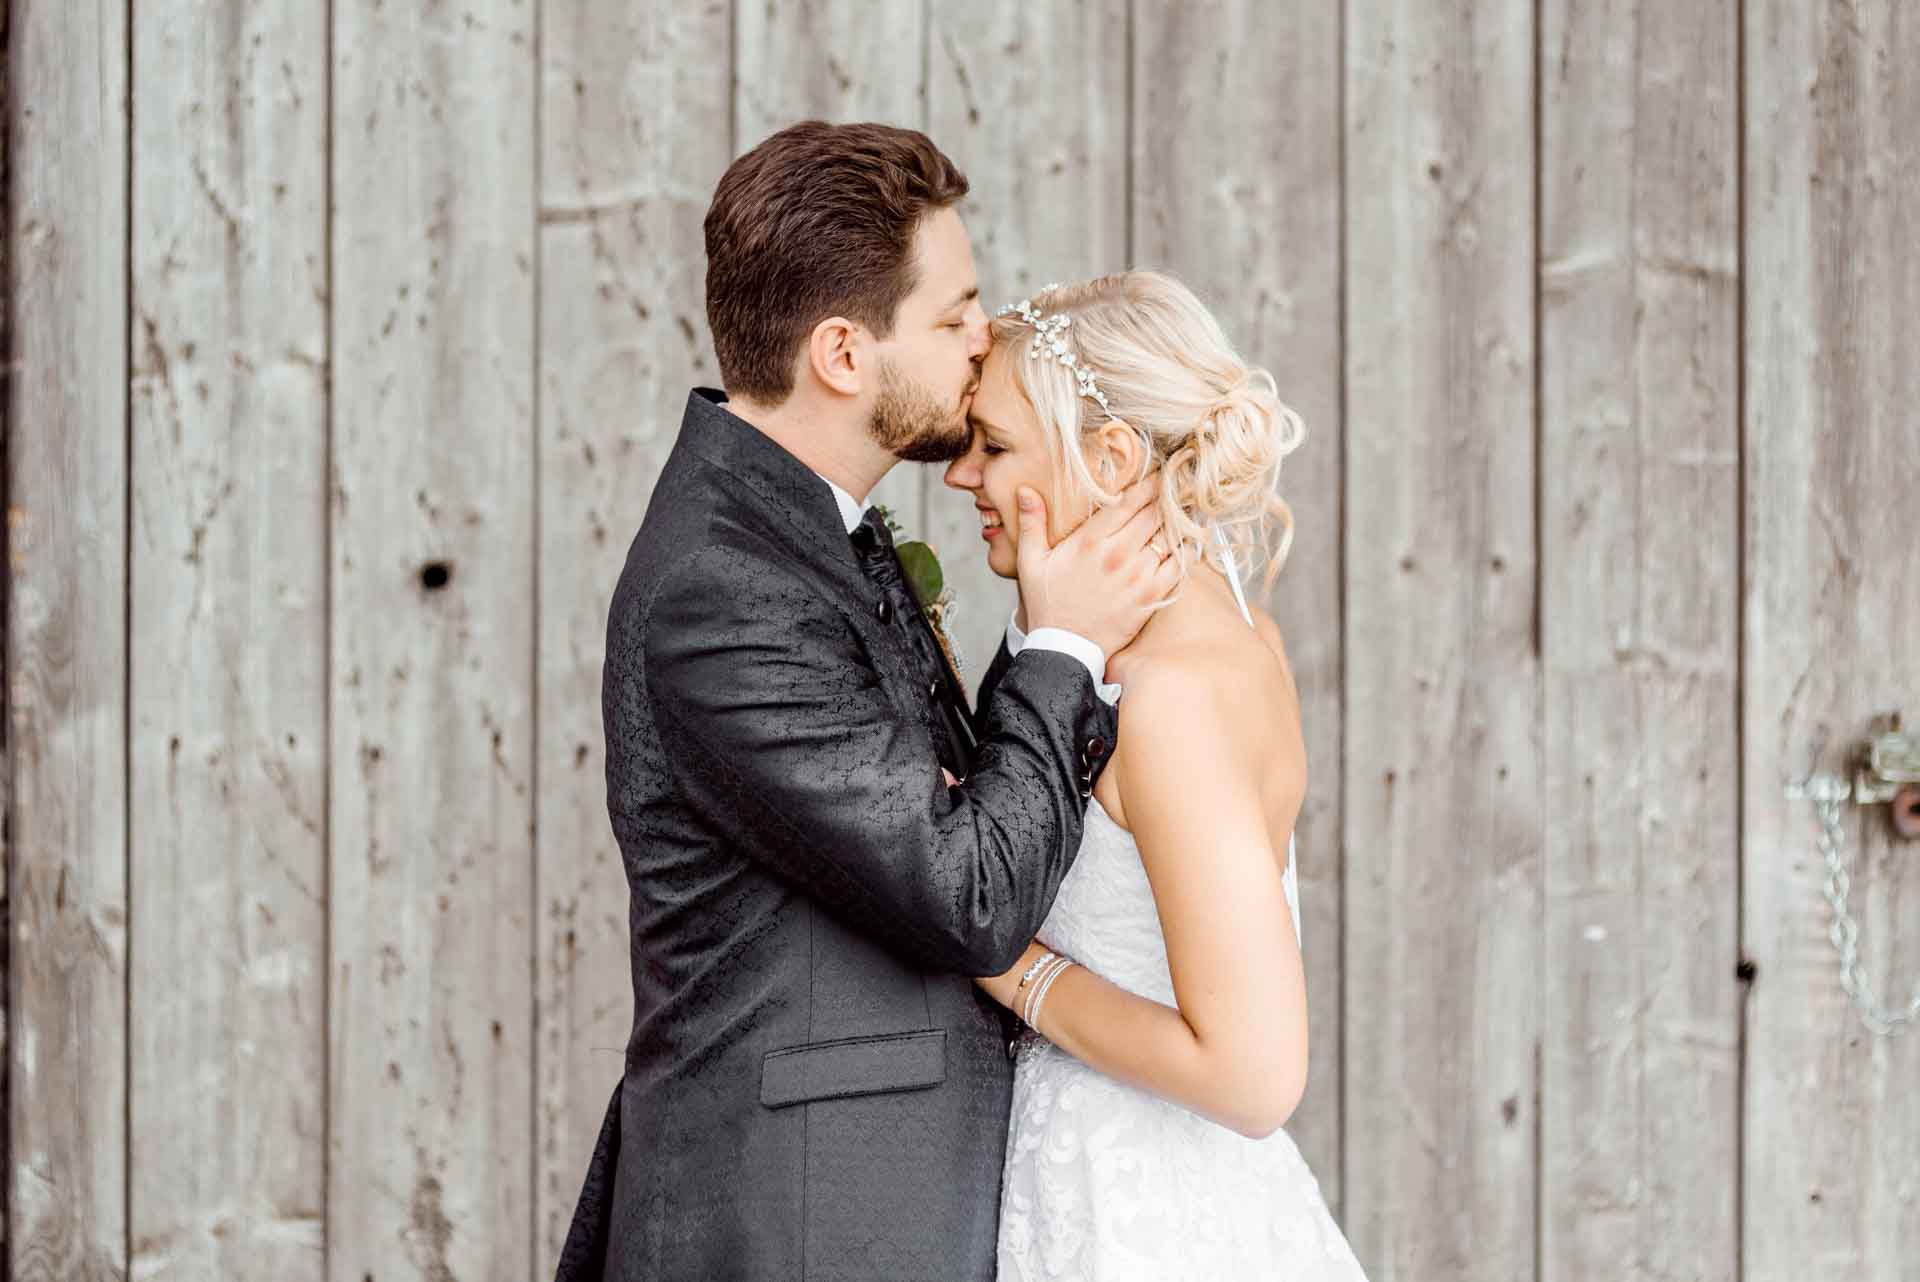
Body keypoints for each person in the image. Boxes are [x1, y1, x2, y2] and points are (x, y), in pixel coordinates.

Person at [552, 122, 1180, 1282]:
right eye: (951, 317)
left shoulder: (799, 534)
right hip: (803, 1221)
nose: (983, 340)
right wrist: (1063, 643)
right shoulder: (722, 590)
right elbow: (969, 892)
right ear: (844, 353)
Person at [943, 272, 1370, 1279]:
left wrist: (1007, 964)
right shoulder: (1224, 623)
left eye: (995, 445)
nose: (963, 475)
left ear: (1114, 456)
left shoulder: (1166, 694)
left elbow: (1256, 1074)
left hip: (1136, 1216)